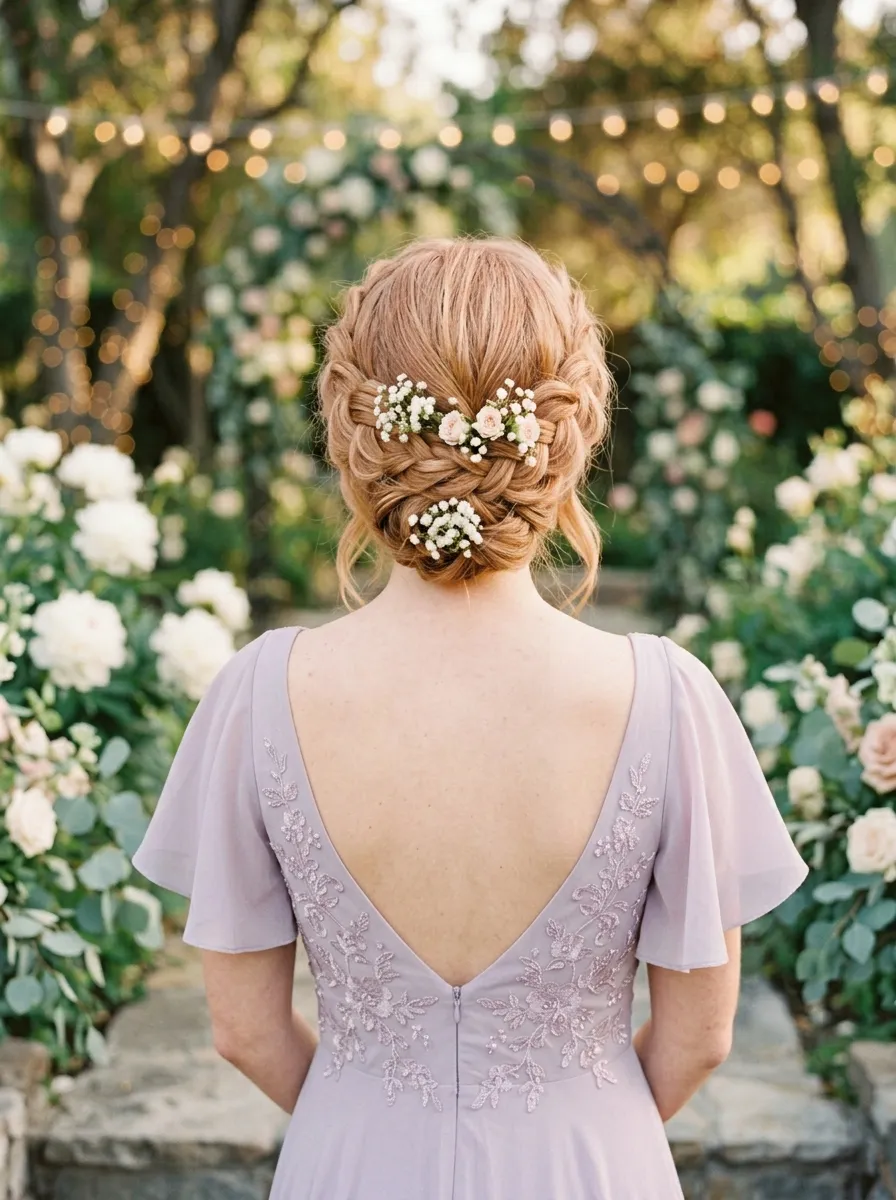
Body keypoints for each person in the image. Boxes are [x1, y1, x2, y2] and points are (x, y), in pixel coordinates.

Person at [132, 237, 808, 1199]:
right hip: (592, 1168)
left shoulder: (260, 693)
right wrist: (579, 1120)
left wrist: (365, 1117)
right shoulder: (669, 699)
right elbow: (700, 1038)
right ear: (569, 433)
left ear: (352, 427)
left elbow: (243, 1032)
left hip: (350, 1165)